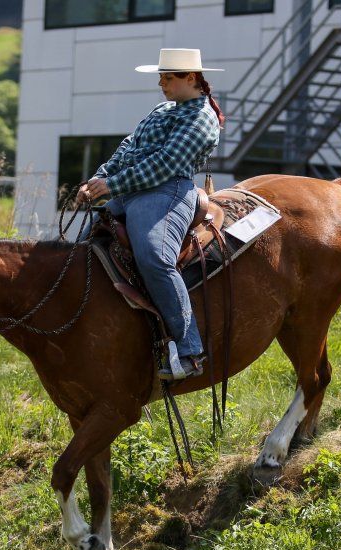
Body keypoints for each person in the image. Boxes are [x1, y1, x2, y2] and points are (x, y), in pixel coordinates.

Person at [78, 48, 225, 381]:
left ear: (191, 78)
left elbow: (166, 165)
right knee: (82, 248)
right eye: (161, 77)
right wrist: (97, 181)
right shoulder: (163, 109)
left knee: (154, 256)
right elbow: (126, 149)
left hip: (166, 192)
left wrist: (111, 185)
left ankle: (189, 352)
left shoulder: (201, 117)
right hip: (129, 191)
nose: (161, 83)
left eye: (168, 77)